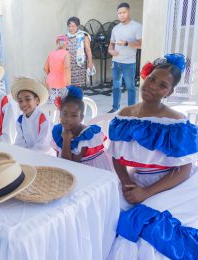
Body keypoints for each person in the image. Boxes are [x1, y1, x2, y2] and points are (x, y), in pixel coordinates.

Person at [107, 54, 198, 259]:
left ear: (170, 92)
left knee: (147, 227)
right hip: (137, 179)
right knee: (107, 210)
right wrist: (127, 183)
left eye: (162, 85)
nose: (152, 86)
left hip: (173, 184)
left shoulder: (175, 122)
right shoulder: (125, 115)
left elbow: (183, 169)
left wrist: (146, 193)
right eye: (152, 79)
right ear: (146, 76)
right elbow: (116, 156)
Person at [51, 86, 114, 171]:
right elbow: (59, 155)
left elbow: (69, 163)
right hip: (69, 168)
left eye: (74, 115)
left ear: (81, 118)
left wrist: (66, 139)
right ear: (59, 114)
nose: (68, 119)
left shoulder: (86, 138)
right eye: (64, 114)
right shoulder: (58, 131)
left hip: (91, 170)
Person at [108, 2, 142, 113]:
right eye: (119, 13)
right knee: (116, 86)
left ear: (129, 12)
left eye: (124, 12)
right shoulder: (115, 28)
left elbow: (141, 44)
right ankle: (115, 107)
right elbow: (111, 44)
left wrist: (127, 43)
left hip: (129, 62)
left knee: (130, 87)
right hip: (116, 61)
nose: (122, 15)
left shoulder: (136, 26)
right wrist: (110, 50)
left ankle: (131, 110)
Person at [11, 77, 53, 154]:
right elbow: (20, 142)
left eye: (28, 99)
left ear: (37, 101)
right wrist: (22, 152)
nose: (23, 104)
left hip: (44, 156)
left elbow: (43, 145)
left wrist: (30, 154)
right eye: (20, 101)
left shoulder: (43, 119)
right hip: (28, 154)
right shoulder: (20, 120)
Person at [44, 35, 71, 106]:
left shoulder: (51, 53)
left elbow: (45, 68)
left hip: (50, 82)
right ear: (66, 43)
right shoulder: (66, 53)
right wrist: (69, 83)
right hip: (62, 83)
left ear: (57, 44)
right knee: (62, 105)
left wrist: (51, 75)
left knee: (52, 105)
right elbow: (67, 67)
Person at [66, 16, 93, 87]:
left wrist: (90, 62)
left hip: (80, 66)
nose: (71, 28)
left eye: (73, 26)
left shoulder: (83, 36)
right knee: (69, 87)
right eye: (69, 26)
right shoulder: (65, 37)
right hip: (69, 66)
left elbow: (88, 50)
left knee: (79, 87)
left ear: (77, 26)